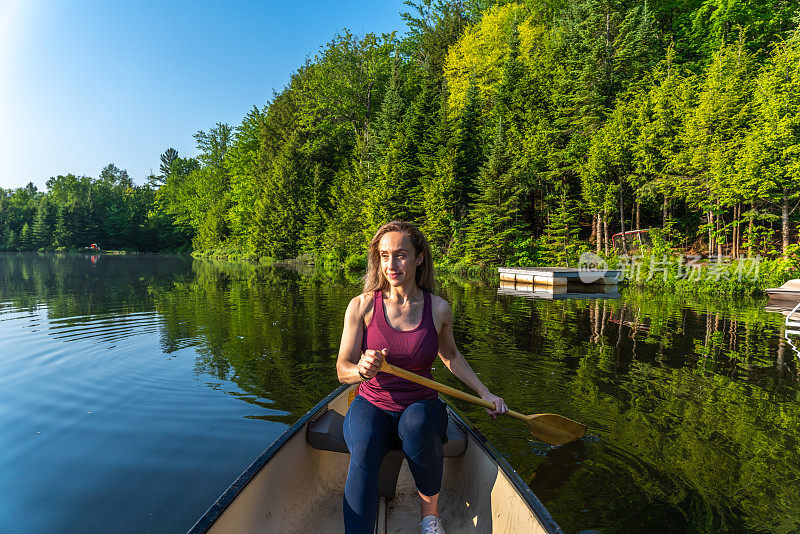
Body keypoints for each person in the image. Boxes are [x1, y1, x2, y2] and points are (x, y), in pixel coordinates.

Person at [336, 220, 509, 534]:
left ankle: (430, 516)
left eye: (401, 255)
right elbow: (342, 369)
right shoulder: (361, 306)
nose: (391, 264)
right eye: (384, 256)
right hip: (372, 402)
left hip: (421, 405)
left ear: (418, 258)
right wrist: (361, 370)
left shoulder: (439, 308)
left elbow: (451, 356)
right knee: (363, 442)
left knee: (416, 426)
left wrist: (485, 394)